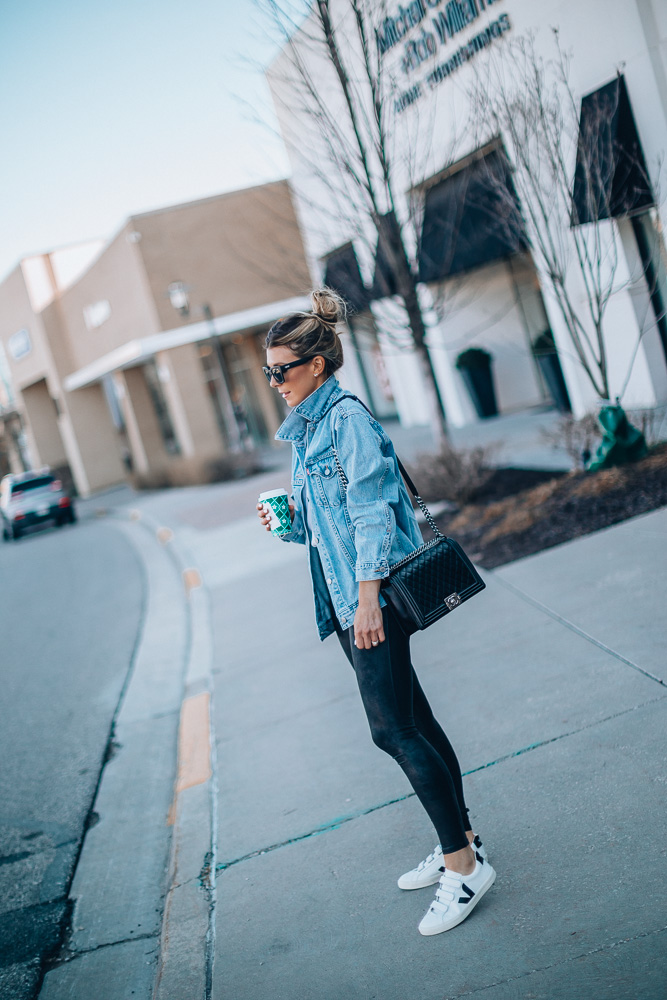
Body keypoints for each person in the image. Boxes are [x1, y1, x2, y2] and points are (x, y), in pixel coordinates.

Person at [256, 288, 495, 936]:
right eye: (267, 370)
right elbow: (323, 526)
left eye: (280, 369)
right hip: (346, 597)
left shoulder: (345, 421)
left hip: (372, 597)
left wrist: (366, 601)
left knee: (390, 729)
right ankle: (465, 841)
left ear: (315, 364)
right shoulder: (307, 430)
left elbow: (368, 513)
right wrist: (285, 522)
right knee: (412, 717)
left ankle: (463, 867)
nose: (272, 380)